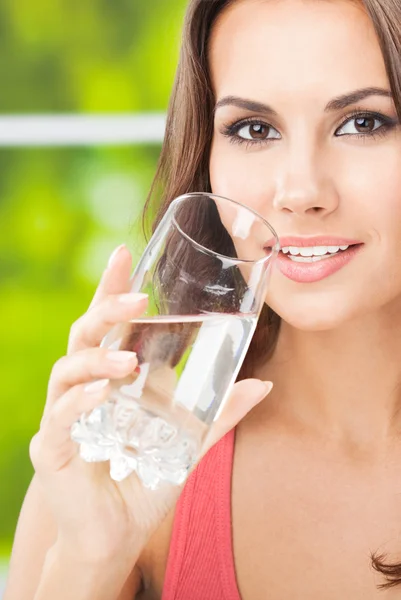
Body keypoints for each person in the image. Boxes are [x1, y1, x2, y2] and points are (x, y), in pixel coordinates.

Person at [4, 0, 401, 597]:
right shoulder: (130, 458)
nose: (300, 192)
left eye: (363, 123)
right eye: (254, 129)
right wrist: (92, 562)